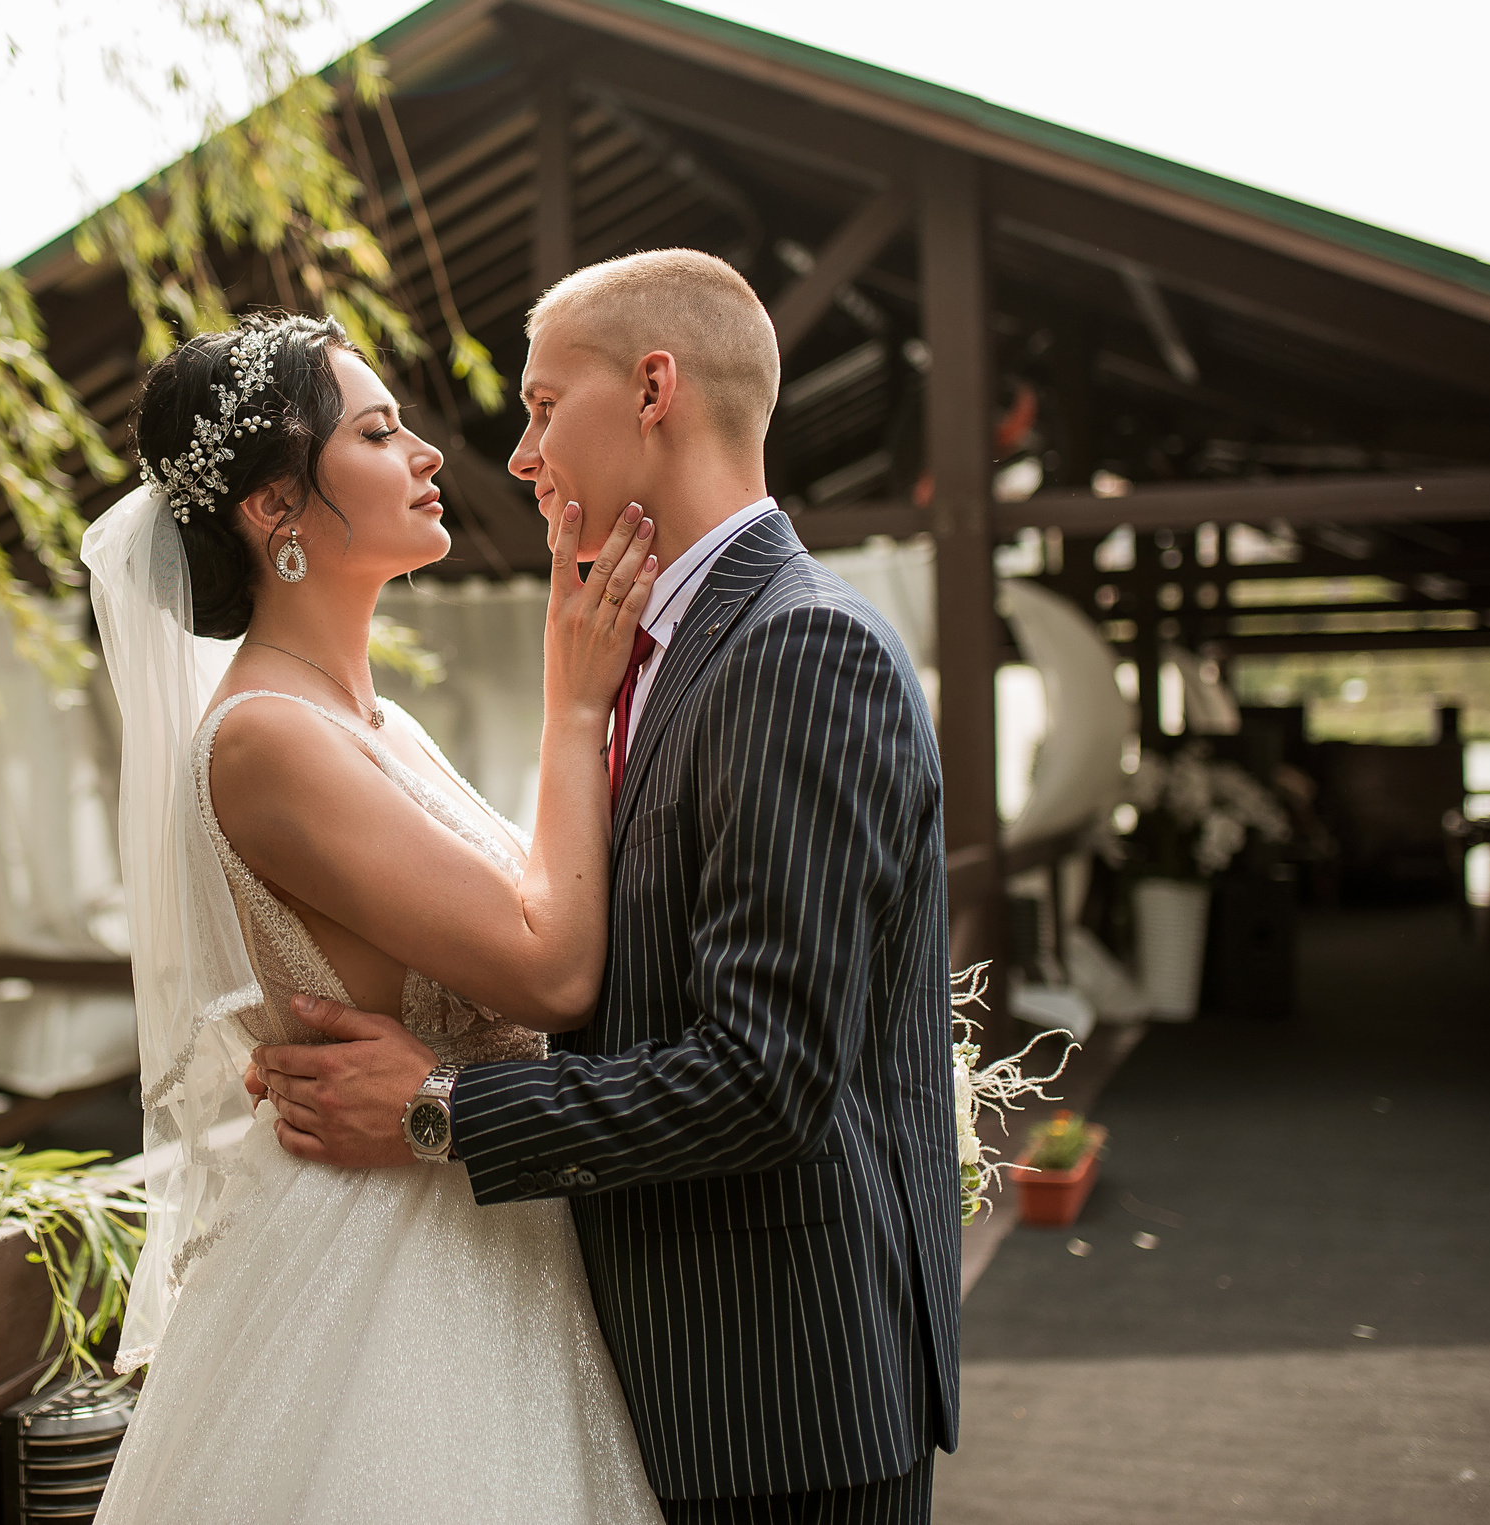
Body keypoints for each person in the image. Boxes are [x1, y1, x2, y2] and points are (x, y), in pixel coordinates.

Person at [251, 251, 961, 1525]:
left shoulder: (797, 645)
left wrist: (437, 1108)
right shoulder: (646, 647)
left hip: (775, 1397)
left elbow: (765, 1076)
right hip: (654, 1376)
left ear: (651, 389)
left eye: (541, 406)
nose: (520, 456)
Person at [86, 311, 668, 1523]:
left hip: (475, 1217)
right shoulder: (265, 739)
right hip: (385, 1265)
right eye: (375, 431)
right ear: (275, 507)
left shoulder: (377, 724)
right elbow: (551, 970)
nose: (426, 453)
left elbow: (539, 915)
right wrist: (573, 707)